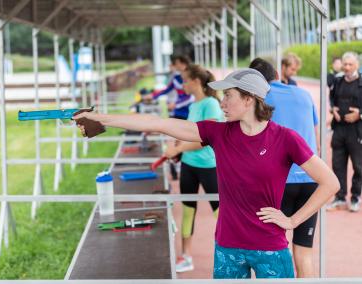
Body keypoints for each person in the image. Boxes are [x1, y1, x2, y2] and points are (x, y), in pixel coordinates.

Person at [74, 68, 339, 279]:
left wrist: (293, 221)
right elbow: (158, 124)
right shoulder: (218, 132)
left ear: (248, 99)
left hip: (270, 247)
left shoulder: (286, 139)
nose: (222, 103)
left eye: (228, 96)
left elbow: (330, 183)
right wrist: (103, 118)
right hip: (227, 246)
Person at [249, 58, 320, 278]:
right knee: (304, 252)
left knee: (275, 251)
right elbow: (314, 136)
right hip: (311, 179)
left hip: (278, 184)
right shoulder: (304, 94)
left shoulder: (259, 100)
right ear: (278, 75)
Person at [163, 64, 223, 272]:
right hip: (189, 165)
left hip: (209, 166)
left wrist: (177, 149)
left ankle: (234, 250)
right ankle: (186, 255)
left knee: (221, 213)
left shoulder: (211, 104)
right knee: (188, 210)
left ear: (196, 81)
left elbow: (207, 139)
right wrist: (178, 148)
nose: (183, 85)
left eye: (185, 80)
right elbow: (190, 135)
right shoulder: (193, 106)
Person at [327, 51, 362, 212]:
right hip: (339, 129)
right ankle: (340, 197)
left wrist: (359, 114)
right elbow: (331, 98)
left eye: (351, 64)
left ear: (357, 65)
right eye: (345, 64)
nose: (347, 67)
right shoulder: (338, 81)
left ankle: (355, 197)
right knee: (337, 165)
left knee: (358, 166)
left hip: (357, 131)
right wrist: (332, 109)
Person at [152, 55, 194, 120]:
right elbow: (167, 90)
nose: (175, 65)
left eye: (177, 63)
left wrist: (175, 104)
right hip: (177, 111)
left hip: (189, 111)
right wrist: (153, 96)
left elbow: (191, 96)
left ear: (184, 64)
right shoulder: (176, 78)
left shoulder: (192, 77)